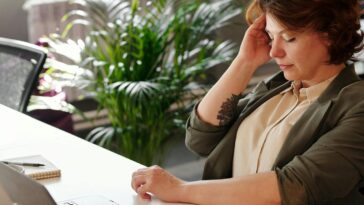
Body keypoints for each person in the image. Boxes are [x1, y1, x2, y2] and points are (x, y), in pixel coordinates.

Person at [131, 0, 364, 204]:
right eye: (272, 37)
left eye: (289, 38)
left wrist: (179, 189)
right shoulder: (276, 90)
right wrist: (245, 61)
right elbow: (201, 138)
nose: (274, 52)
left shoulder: (356, 105)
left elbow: (296, 185)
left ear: (332, 35)